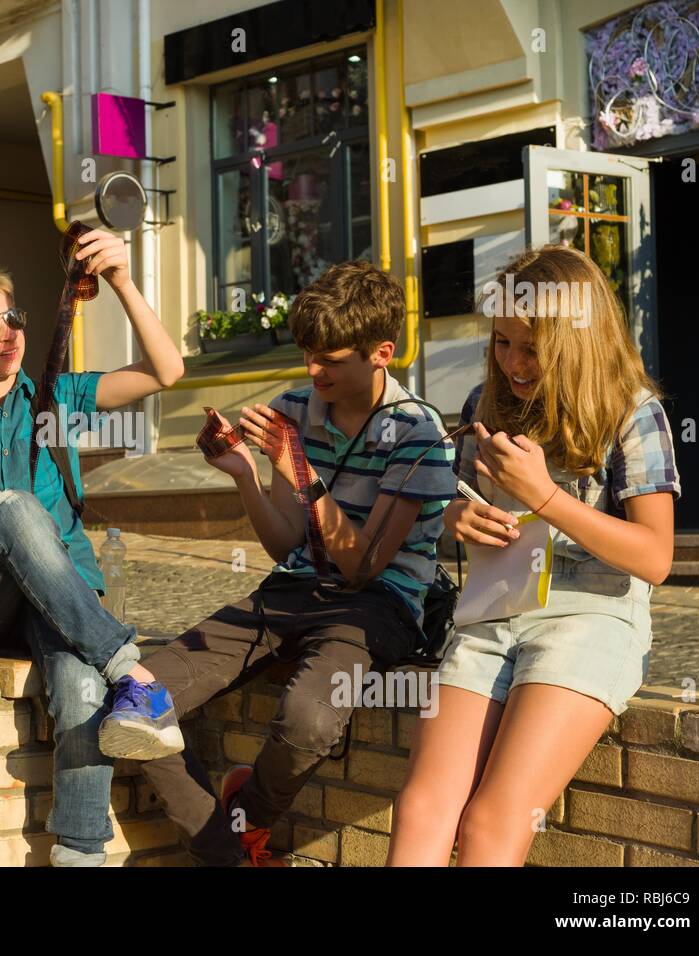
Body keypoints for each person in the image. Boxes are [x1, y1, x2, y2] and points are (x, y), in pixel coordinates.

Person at [136, 259, 457, 866]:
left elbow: (363, 568)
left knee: (310, 718)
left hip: (375, 607)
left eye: (330, 360)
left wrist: (299, 471)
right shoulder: (295, 408)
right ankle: (228, 853)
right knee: (135, 698)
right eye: (308, 354)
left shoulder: (419, 431)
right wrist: (245, 476)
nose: (313, 372)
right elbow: (289, 548)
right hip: (291, 591)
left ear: (381, 353)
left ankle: (248, 815)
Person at [387, 244, 679, 866]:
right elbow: (447, 512)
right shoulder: (481, 405)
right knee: (421, 808)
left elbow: (655, 558)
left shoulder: (632, 411)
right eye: (501, 343)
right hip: (497, 609)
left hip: (592, 616)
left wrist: (544, 496)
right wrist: (456, 519)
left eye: (531, 348)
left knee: (493, 822)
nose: (513, 363)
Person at [0, 236, 185, 866]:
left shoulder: (58, 401)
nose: (6, 333)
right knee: (14, 508)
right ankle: (131, 669)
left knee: (80, 687)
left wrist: (121, 280)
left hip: (62, 599)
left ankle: (81, 854)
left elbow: (166, 371)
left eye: (12, 318)